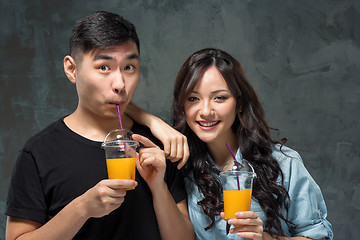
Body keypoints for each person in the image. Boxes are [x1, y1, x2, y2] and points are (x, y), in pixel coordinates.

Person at [5, 11, 194, 240]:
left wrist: (158, 188)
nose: (120, 84)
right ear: (71, 69)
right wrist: (82, 208)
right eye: (104, 67)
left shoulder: (155, 145)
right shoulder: (38, 153)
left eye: (129, 67)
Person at [130, 48, 334, 240]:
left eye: (219, 98)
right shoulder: (183, 166)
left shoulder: (282, 163)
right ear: (182, 106)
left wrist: (264, 238)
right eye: (193, 98)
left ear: (240, 104)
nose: (206, 111)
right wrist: (151, 121)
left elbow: (318, 235)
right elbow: (112, 102)